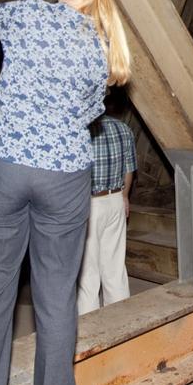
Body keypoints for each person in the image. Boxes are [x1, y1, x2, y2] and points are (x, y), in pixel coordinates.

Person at [0, 0, 131, 385]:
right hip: (64, 174)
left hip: (3, 165)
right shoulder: (106, 44)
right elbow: (92, 111)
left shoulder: (29, 14)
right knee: (56, 297)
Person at [76, 112, 136, 315]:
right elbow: (129, 169)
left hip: (88, 203)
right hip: (116, 199)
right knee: (115, 267)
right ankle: (120, 323)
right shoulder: (122, 128)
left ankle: (92, 329)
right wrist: (125, 196)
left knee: (87, 273)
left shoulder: (80, 129)